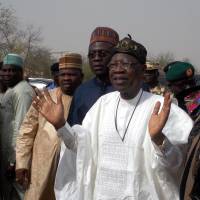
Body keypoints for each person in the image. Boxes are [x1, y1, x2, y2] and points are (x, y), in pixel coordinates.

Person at [33, 36, 193, 200]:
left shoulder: (161, 108)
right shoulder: (103, 104)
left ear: (142, 69)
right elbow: (81, 149)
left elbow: (177, 165)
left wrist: (158, 138)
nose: (118, 69)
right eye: (113, 65)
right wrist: (61, 125)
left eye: (126, 64)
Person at [15, 53, 83, 200]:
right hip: (42, 168)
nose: (66, 78)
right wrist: (22, 163)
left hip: (73, 171)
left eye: (72, 74)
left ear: (81, 77)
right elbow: (26, 131)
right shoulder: (45, 97)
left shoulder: (87, 100)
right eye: (63, 74)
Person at [0, 53, 35, 200]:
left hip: (15, 159)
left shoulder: (23, 92)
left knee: (21, 193)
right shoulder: (12, 89)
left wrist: (14, 161)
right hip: (7, 155)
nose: (8, 74)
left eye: (13, 70)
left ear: (21, 72)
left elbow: (22, 128)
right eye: (5, 70)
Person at [68, 27, 119, 125]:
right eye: (92, 55)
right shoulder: (81, 91)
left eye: (102, 54)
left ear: (115, 55)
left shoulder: (132, 89)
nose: (96, 59)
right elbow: (74, 131)